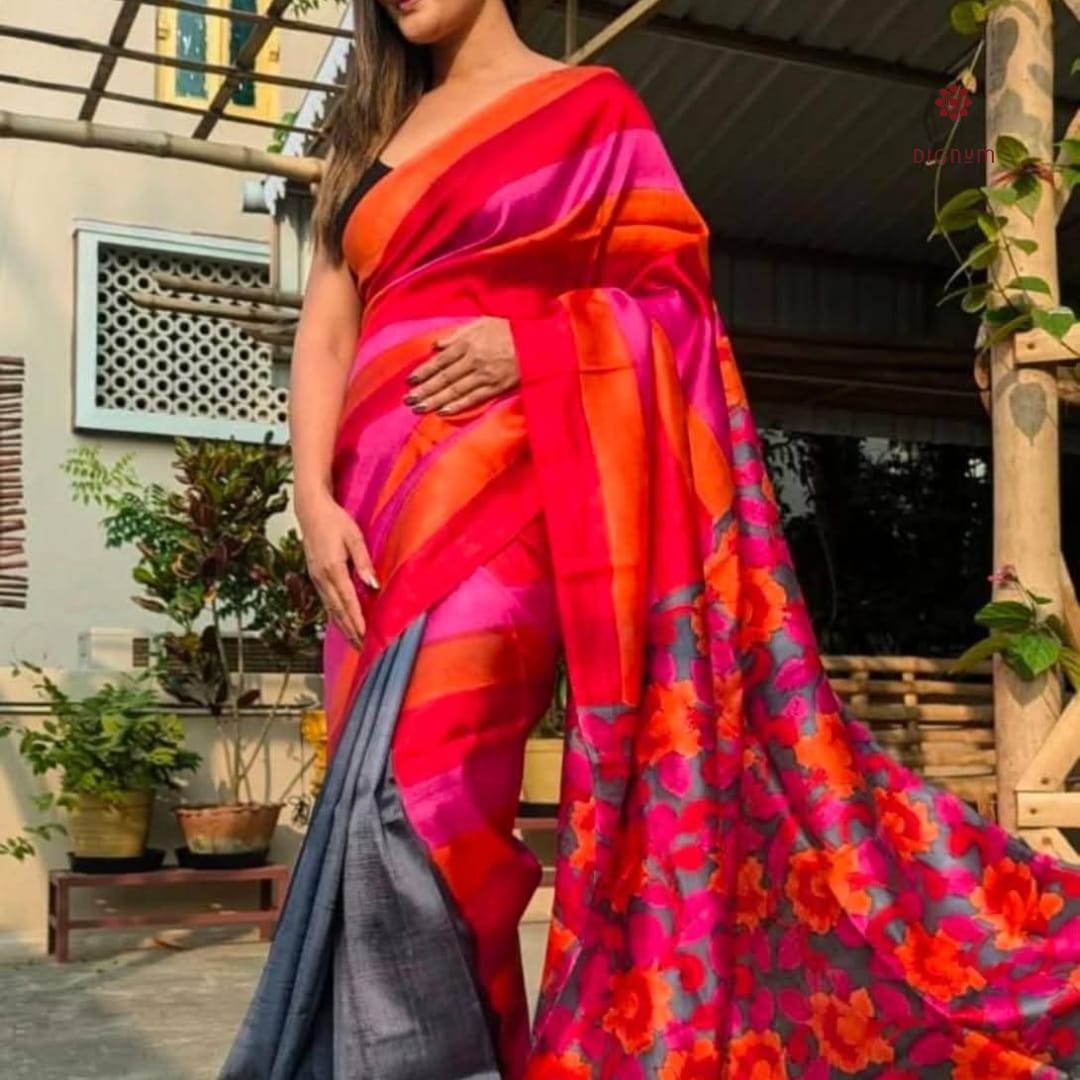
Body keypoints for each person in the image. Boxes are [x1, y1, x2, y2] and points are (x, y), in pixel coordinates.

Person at [221, 0, 1080, 1077]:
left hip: (506, 507)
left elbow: (674, 310)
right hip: (368, 520)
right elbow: (327, 330)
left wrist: (534, 345)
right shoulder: (367, 133)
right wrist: (311, 501)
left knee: (420, 796)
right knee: (362, 810)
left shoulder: (590, 109)